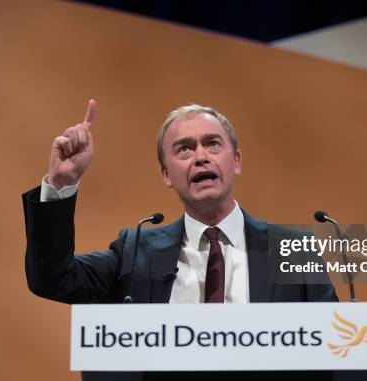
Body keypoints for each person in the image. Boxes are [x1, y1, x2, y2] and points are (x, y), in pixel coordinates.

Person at [22, 99, 338, 380]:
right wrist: (61, 184)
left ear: (236, 161)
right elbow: (53, 278)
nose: (200, 157)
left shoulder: (291, 249)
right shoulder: (136, 251)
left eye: (213, 144)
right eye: (184, 149)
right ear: (165, 174)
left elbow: (336, 351)